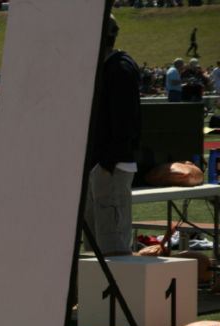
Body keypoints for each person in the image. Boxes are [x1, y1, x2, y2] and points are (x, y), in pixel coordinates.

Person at [84, 14, 140, 257]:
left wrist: (107, 162)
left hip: (111, 165)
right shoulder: (105, 67)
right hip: (100, 164)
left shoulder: (119, 68)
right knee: (93, 247)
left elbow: (125, 120)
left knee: (112, 247)